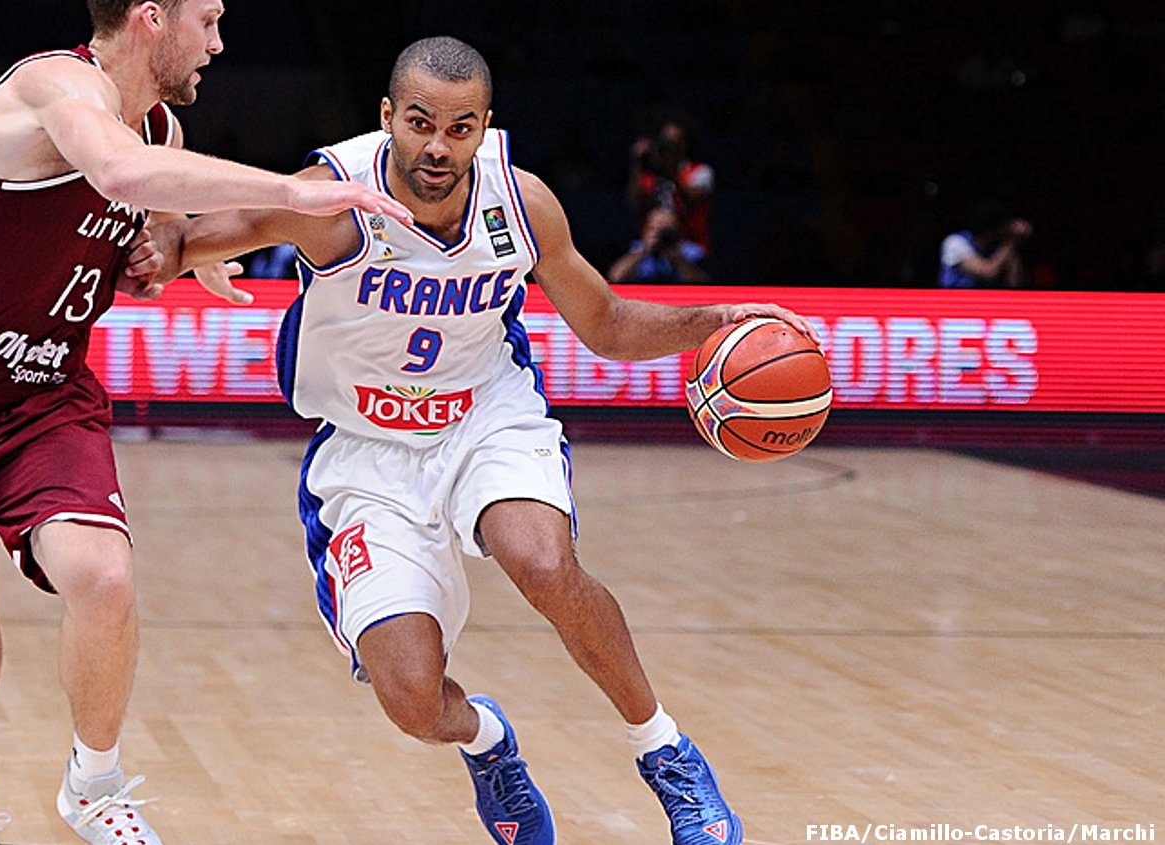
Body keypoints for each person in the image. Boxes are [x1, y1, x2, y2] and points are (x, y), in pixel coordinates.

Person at [156, 36, 814, 845]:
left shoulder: (521, 202)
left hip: (484, 414)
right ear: (387, 117)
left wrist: (716, 320)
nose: (438, 146)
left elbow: (606, 323)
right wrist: (174, 240)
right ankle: (488, 741)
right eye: (421, 123)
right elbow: (178, 244)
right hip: (366, 452)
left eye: (460, 128)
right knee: (412, 700)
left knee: (541, 561)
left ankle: (666, 752)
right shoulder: (330, 200)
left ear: (485, 126)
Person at [0, 3, 410, 845]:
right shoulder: (49, 87)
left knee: (103, 576)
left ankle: (94, 785)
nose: (217, 43)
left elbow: (153, 215)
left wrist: (181, 251)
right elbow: (119, 172)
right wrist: (290, 192)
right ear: (151, 18)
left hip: (41, 399)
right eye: (206, 20)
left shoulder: (162, 130)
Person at [626, 118, 715, 255]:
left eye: (674, 141)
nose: (669, 146)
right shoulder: (651, 176)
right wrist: (638, 163)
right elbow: (634, 202)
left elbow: (692, 200)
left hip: (689, 245)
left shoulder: (700, 171)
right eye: (666, 140)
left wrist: (671, 171)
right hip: (652, 244)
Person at [938, 202, 1032, 288]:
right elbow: (988, 272)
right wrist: (1010, 242)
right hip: (956, 298)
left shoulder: (1001, 247)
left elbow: (1014, 284)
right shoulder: (956, 242)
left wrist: (1013, 245)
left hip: (988, 298)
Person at [607, 204, 710, 284]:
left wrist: (676, 257)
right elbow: (615, 277)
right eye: (655, 228)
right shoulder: (636, 248)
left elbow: (700, 281)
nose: (660, 235)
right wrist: (644, 251)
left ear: (678, 230)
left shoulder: (691, 251)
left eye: (665, 230)